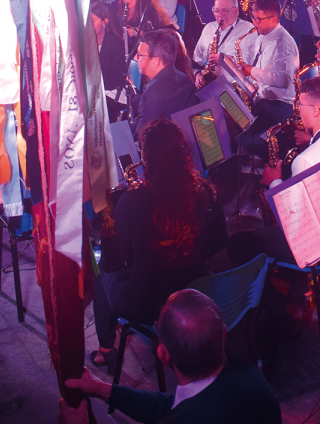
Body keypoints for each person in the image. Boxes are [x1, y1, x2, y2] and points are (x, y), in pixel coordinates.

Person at [62, 289, 284, 424]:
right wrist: (103, 389)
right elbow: (175, 407)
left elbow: (182, 415)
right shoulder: (248, 372)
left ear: (162, 354)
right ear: (223, 334)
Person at [89, 120, 225, 369]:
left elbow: (116, 261)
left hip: (146, 302)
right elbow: (216, 243)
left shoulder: (132, 201)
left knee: (100, 273)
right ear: (184, 153)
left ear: (147, 157)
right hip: (193, 292)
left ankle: (106, 350)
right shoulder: (206, 191)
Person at [227, 76, 320, 265]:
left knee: (238, 243)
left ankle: (271, 290)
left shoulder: (306, 159)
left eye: (301, 104)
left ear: (315, 111)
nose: (298, 109)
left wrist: (274, 181)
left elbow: (294, 222)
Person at [238, 0, 301, 139]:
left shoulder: (283, 43)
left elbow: (284, 80)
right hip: (264, 97)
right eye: (253, 18)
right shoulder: (263, 34)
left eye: (258, 19)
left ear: (274, 19)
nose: (254, 23)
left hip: (278, 103)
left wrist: (251, 71)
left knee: (243, 134)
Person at [130, 30, 199, 139]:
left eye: (139, 55)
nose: (135, 58)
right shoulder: (183, 77)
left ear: (156, 61)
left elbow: (142, 138)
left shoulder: (153, 94)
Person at [192, 0, 255, 87]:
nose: (220, 15)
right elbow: (196, 59)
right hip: (207, 85)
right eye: (216, 11)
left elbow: (251, 67)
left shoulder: (249, 30)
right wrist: (197, 74)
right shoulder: (209, 27)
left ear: (236, 11)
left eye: (225, 10)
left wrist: (224, 61)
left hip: (233, 87)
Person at [90, 2, 128, 120]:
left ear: (104, 21)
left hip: (112, 92)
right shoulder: (86, 44)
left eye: (93, 21)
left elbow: (116, 77)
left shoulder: (116, 43)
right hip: (94, 91)